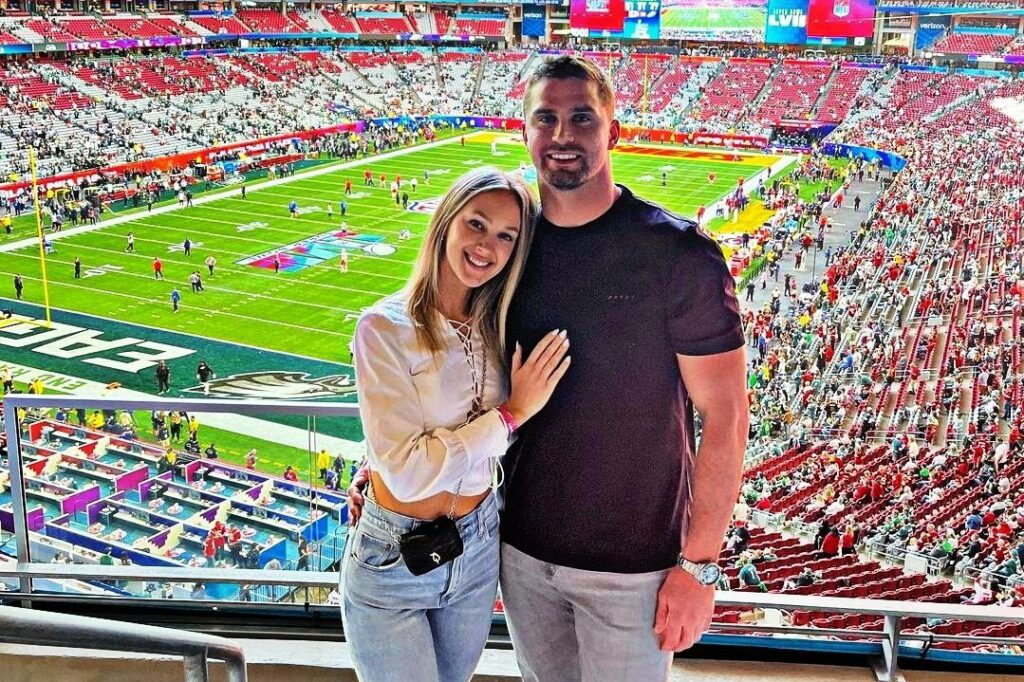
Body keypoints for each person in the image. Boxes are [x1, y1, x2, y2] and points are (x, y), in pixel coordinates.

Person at [495, 56, 748, 677]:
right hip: (522, 551)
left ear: (614, 131)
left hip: (633, 566)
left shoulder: (678, 254)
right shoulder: (506, 246)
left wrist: (699, 566)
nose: (561, 135)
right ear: (523, 132)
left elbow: (727, 416)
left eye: (582, 118)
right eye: (545, 119)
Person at [341, 166, 567, 682]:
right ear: (446, 221)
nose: (488, 245)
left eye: (507, 236)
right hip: (393, 553)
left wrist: (370, 459)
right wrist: (509, 415)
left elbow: (415, 427)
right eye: (477, 224)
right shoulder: (383, 327)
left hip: (479, 541)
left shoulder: (498, 326)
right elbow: (406, 473)